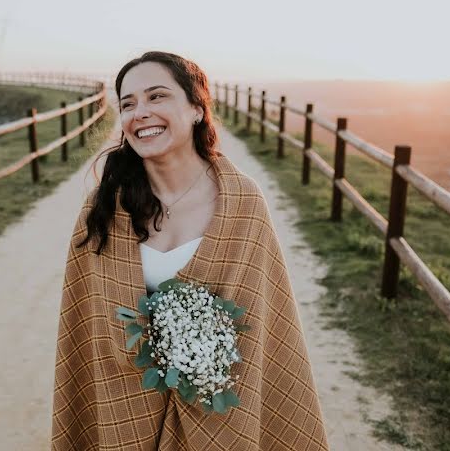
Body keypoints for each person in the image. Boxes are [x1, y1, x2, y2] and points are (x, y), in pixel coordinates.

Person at [51, 51, 329, 450]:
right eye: (128, 104)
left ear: (197, 108)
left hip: (218, 413)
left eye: (157, 96)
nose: (140, 112)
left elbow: (264, 328)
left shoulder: (241, 202)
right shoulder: (104, 207)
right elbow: (89, 327)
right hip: (121, 407)